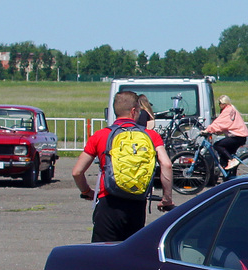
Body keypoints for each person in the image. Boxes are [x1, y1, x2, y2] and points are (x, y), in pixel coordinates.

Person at [72, 91, 174, 242]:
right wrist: (167, 198)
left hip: (108, 202)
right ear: (134, 111)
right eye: (139, 111)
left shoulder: (101, 135)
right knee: (131, 254)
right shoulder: (150, 136)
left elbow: (77, 172)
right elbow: (166, 164)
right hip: (137, 203)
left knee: (102, 254)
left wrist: (87, 191)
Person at [203, 95, 248, 172]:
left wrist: (208, 130)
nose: (219, 105)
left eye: (220, 103)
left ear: (224, 103)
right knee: (224, 157)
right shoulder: (231, 109)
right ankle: (229, 176)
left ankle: (231, 160)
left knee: (217, 145)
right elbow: (226, 126)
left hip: (237, 137)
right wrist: (214, 131)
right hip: (239, 136)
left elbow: (220, 123)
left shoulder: (228, 110)